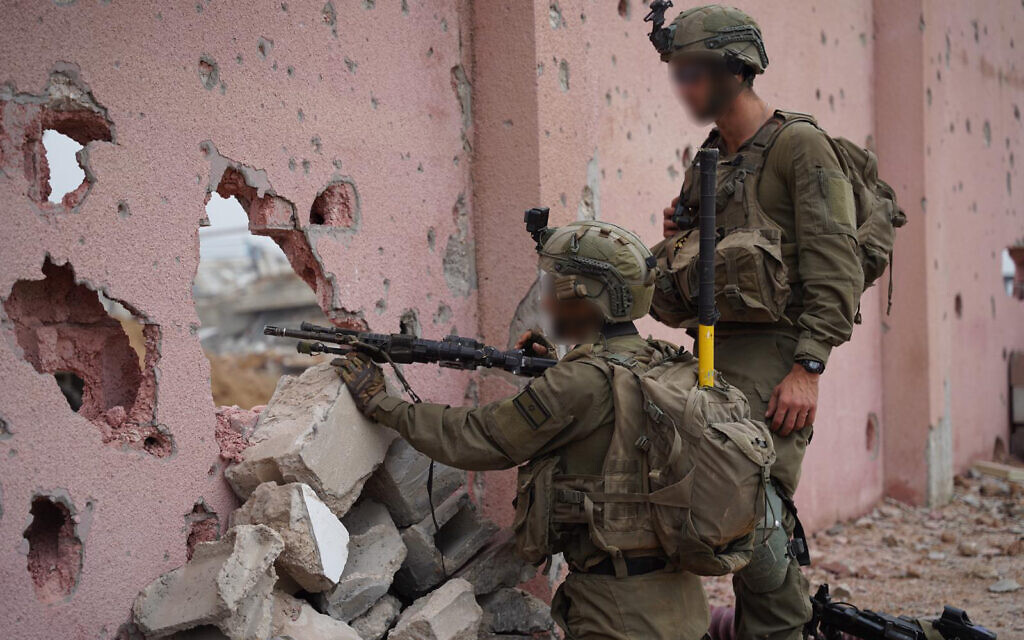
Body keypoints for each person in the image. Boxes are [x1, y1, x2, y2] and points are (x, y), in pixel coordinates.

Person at [337, 219, 710, 640]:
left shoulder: (580, 382)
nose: (547, 303)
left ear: (583, 296)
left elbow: (478, 438)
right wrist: (556, 371)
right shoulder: (663, 361)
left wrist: (382, 404)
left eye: (555, 288)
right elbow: (616, 432)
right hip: (680, 604)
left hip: (617, 613)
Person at [647, 5, 865, 640]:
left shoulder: (799, 147)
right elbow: (691, 263)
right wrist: (680, 238)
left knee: (754, 511)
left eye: (691, 72)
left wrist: (809, 367)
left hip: (778, 356)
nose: (682, 87)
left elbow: (834, 266)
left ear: (734, 70)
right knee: (704, 501)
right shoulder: (710, 156)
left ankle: (782, 631)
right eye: (676, 73)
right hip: (713, 349)